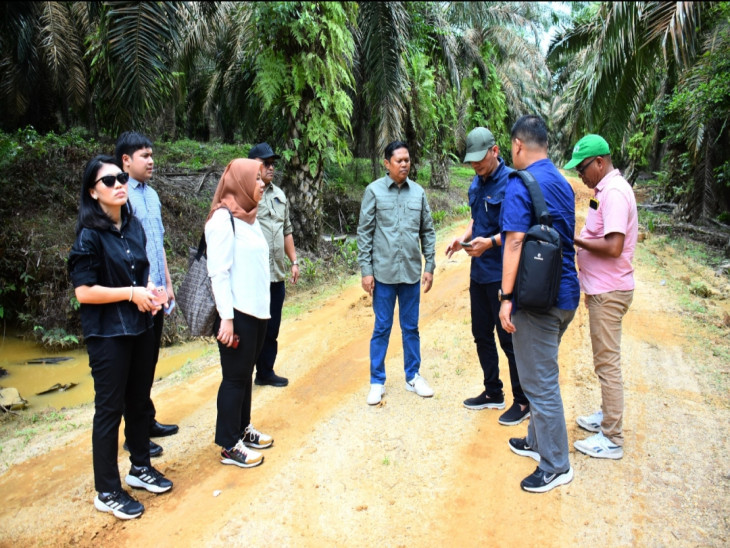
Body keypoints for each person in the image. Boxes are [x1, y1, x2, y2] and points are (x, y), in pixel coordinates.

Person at [68, 155, 173, 520]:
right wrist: (131, 293)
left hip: (140, 326)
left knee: (139, 400)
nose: (118, 184)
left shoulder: (133, 227)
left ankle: (139, 467)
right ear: (93, 192)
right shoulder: (89, 236)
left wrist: (149, 291)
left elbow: (139, 273)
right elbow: (84, 291)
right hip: (108, 333)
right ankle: (107, 490)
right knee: (110, 409)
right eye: (108, 181)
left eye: (119, 178)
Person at [498, 115, 580, 493]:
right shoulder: (562, 183)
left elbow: (514, 243)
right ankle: (536, 441)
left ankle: (556, 464)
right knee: (539, 370)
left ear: (517, 145)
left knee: (539, 382)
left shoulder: (520, 183)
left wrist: (506, 297)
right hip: (565, 295)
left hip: (537, 301)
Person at [445, 127, 530, 425]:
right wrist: (463, 239)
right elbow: (475, 219)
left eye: (480, 161)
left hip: (501, 273)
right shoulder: (476, 183)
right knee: (481, 334)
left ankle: (523, 401)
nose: (476, 167)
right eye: (472, 163)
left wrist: (490, 243)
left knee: (508, 339)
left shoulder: (511, 184)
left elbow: (516, 233)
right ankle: (493, 391)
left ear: (495, 151)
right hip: (478, 273)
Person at [565, 134, 638, 460]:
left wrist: (576, 241)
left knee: (608, 364)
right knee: (601, 360)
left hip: (610, 290)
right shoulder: (602, 192)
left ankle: (612, 437)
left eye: (583, 169)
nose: (581, 175)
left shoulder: (616, 194)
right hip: (600, 288)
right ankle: (606, 415)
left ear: (600, 162)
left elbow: (613, 246)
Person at [205, 158, 274, 468]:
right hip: (237, 313)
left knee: (246, 375)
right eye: (257, 179)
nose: (262, 184)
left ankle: (243, 429)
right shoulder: (222, 220)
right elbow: (218, 272)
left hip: (257, 311)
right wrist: (227, 318)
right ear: (242, 182)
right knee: (234, 378)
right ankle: (228, 444)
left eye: (262, 179)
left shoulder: (249, 217)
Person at [357, 140, 437, 405]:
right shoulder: (374, 192)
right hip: (383, 274)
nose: (405, 164)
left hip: (412, 273)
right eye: (399, 160)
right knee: (382, 327)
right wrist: (366, 271)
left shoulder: (419, 193)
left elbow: (427, 231)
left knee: (411, 327)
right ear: (387, 163)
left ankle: (413, 376)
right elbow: (365, 232)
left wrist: (430, 266)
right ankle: (377, 381)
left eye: (407, 160)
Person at [115, 131, 178, 459]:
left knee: (149, 362)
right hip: (137, 296)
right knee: (136, 366)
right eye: (144, 156)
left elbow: (159, 244)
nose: (151, 161)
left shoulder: (151, 196)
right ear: (126, 161)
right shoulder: (120, 196)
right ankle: (133, 435)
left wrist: (167, 285)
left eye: (152, 155)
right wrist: (139, 291)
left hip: (157, 294)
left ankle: (146, 420)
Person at [247, 142, 300, 387]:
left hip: (276, 274)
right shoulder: (245, 194)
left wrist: (294, 261)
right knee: (251, 328)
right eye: (265, 163)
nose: (271, 168)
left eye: (272, 164)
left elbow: (286, 230)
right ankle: (242, 375)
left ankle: (265, 372)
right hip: (253, 277)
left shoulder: (279, 195)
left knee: (272, 327)